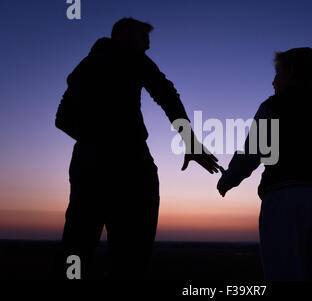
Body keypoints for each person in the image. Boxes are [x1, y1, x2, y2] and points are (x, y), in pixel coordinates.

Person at [54, 18, 219, 279]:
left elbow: (61, 119)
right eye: (144, 40)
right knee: (131, 258)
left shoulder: (83, 69)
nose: (148, 47)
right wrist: (191, 143)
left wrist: (93, 139)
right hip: (131, 168)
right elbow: (167, 94)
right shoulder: (131, 57)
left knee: (77, 249)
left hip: (87, 167)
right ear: (128, 38)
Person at [217, 47, 312, 281]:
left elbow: (252, 152)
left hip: (281, 200)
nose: (273, 81)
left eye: (277, 74)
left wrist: (228, 179)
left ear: (291, 72)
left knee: (283, 272)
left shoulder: (273, 107)